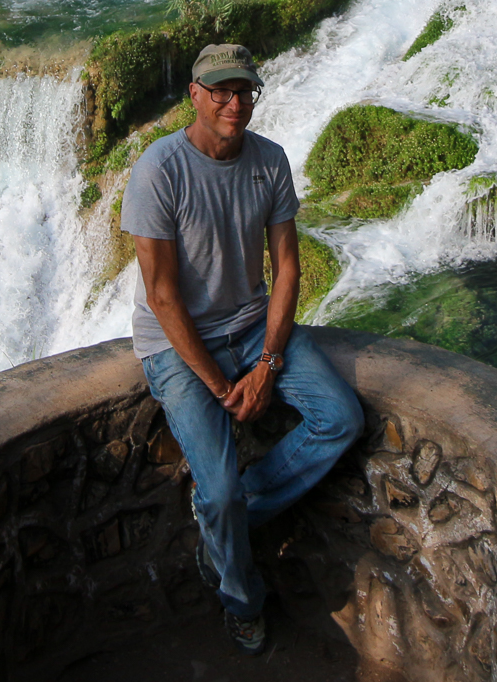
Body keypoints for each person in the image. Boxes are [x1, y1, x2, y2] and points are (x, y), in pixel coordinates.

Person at [119, 43, 364, 655]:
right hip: (176, 345)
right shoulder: (159, 170)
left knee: (341, 417)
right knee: (219, 490)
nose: (235, 102)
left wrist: (268, 365)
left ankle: (225, 516)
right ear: (195, 95)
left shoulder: (269, 161)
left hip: (253, 328)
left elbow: (287, 270)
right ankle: (242, 600)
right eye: (222, 91)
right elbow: (162, 296)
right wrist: (224, 387)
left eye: (245, 91)